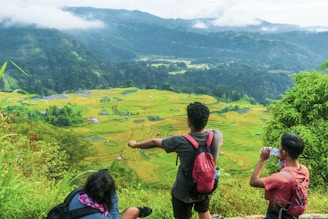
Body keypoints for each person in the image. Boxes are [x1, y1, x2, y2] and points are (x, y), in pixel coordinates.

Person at [128, 102, 224, 219]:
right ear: (206, 120)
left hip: (183, 191)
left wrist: (135, 144)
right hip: (205, 185)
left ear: (189, 122)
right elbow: (209, 131)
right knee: (203, 211)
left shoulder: (180, 141)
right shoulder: (217, 135)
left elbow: (154, 142)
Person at [250, 133, 310, 219]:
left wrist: (262, 160)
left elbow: (253, 181)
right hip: (293, 215)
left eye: (280, 148)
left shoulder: (278, 178)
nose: (278, 149)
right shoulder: (304, 170)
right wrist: (283, 160)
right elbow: (290, 175)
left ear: (285, 152)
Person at [69, 169, 152, 219]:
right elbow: (115, 216)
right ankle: (139, 210)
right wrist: (113, 198)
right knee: (133, 211)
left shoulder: (76, 194)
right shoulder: (97, 217)